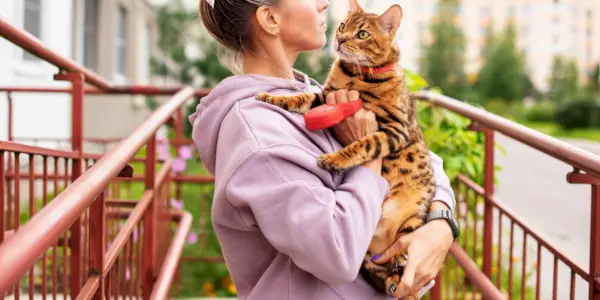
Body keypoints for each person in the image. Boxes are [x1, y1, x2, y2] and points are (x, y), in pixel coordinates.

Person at [188, 0, 457, 299]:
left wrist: (440, 221)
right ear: (270, 18)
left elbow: (419, 153)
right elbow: (337, 253)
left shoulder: (308, 92)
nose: (324, 3)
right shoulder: (259, 136)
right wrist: (369, 155)